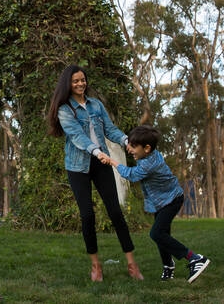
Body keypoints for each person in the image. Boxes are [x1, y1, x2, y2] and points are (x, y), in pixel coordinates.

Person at [46, 64, 143, 282]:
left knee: (115, 212)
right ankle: (96, 266)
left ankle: (132, 264)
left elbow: (109, 129)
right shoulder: (64, 109)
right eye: (76, 81)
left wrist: (126, 140)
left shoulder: (96, 105)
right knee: (87, 215)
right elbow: (77, 136)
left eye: (83, 80)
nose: (81, 84)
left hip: (101, 164)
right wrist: (96, 151)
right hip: (77, 167)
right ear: (68, 84)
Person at [103, 125, 211, 283]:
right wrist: (128, 142)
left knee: (156, 233)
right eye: (130, 145)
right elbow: (135, 153)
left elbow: (130, 174)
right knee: (162, 235)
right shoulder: (148, 154)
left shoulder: (148, 164)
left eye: (133, 146)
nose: (129, 150)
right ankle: (168, 265)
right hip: (160, 201)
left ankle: (195, 258)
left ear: (146, 148)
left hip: (171, 200)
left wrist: (112, 161)